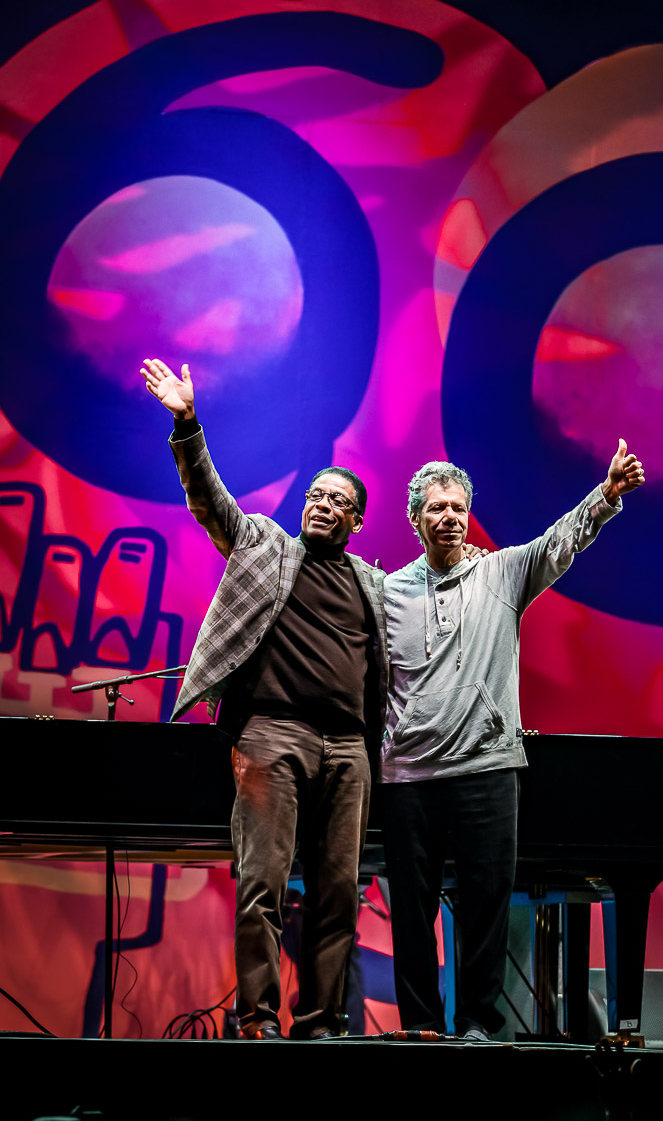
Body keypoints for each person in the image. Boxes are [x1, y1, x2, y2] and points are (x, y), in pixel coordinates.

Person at [140, 357, 388, 1041]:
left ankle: (318, 1021)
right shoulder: (263, 546)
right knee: (262, 886)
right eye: (316, 494)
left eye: (337, 501)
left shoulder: (373, 585)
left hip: (346, 749)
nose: (321, 503)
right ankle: (256, 1021)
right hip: (271, 736)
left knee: (340, 895)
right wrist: (187, 423)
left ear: (357, 521)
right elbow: (208, 499)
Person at [380, 441, 645, 1040]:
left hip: (487, 768)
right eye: (436, 508)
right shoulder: (388, 592)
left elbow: (559, 542)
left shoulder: (503, 573)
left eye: (458, 507)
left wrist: (605, 497)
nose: (448, 517)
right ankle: (421, 1023)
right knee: (413, 914)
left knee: (486, 907)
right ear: (415, 518)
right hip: (408, 775)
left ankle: (477, 1022)